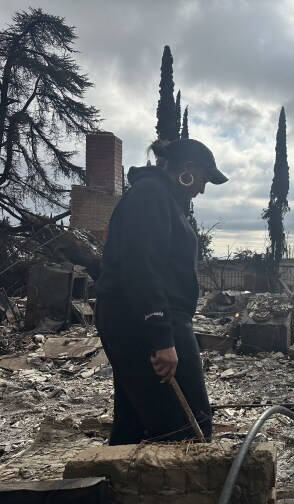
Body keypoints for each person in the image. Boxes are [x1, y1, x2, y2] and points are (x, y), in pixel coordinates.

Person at [94, 138, 228, 445]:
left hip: (136, 317)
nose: (203, 189)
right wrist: (162, 337)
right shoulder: (150, 195)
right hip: (142, 319)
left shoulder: (159, 196)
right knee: (185, 428)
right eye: (205, 180)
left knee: (135, 419)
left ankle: (116, 487)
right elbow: (142, 268)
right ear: (188, 169)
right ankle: (181, 491)